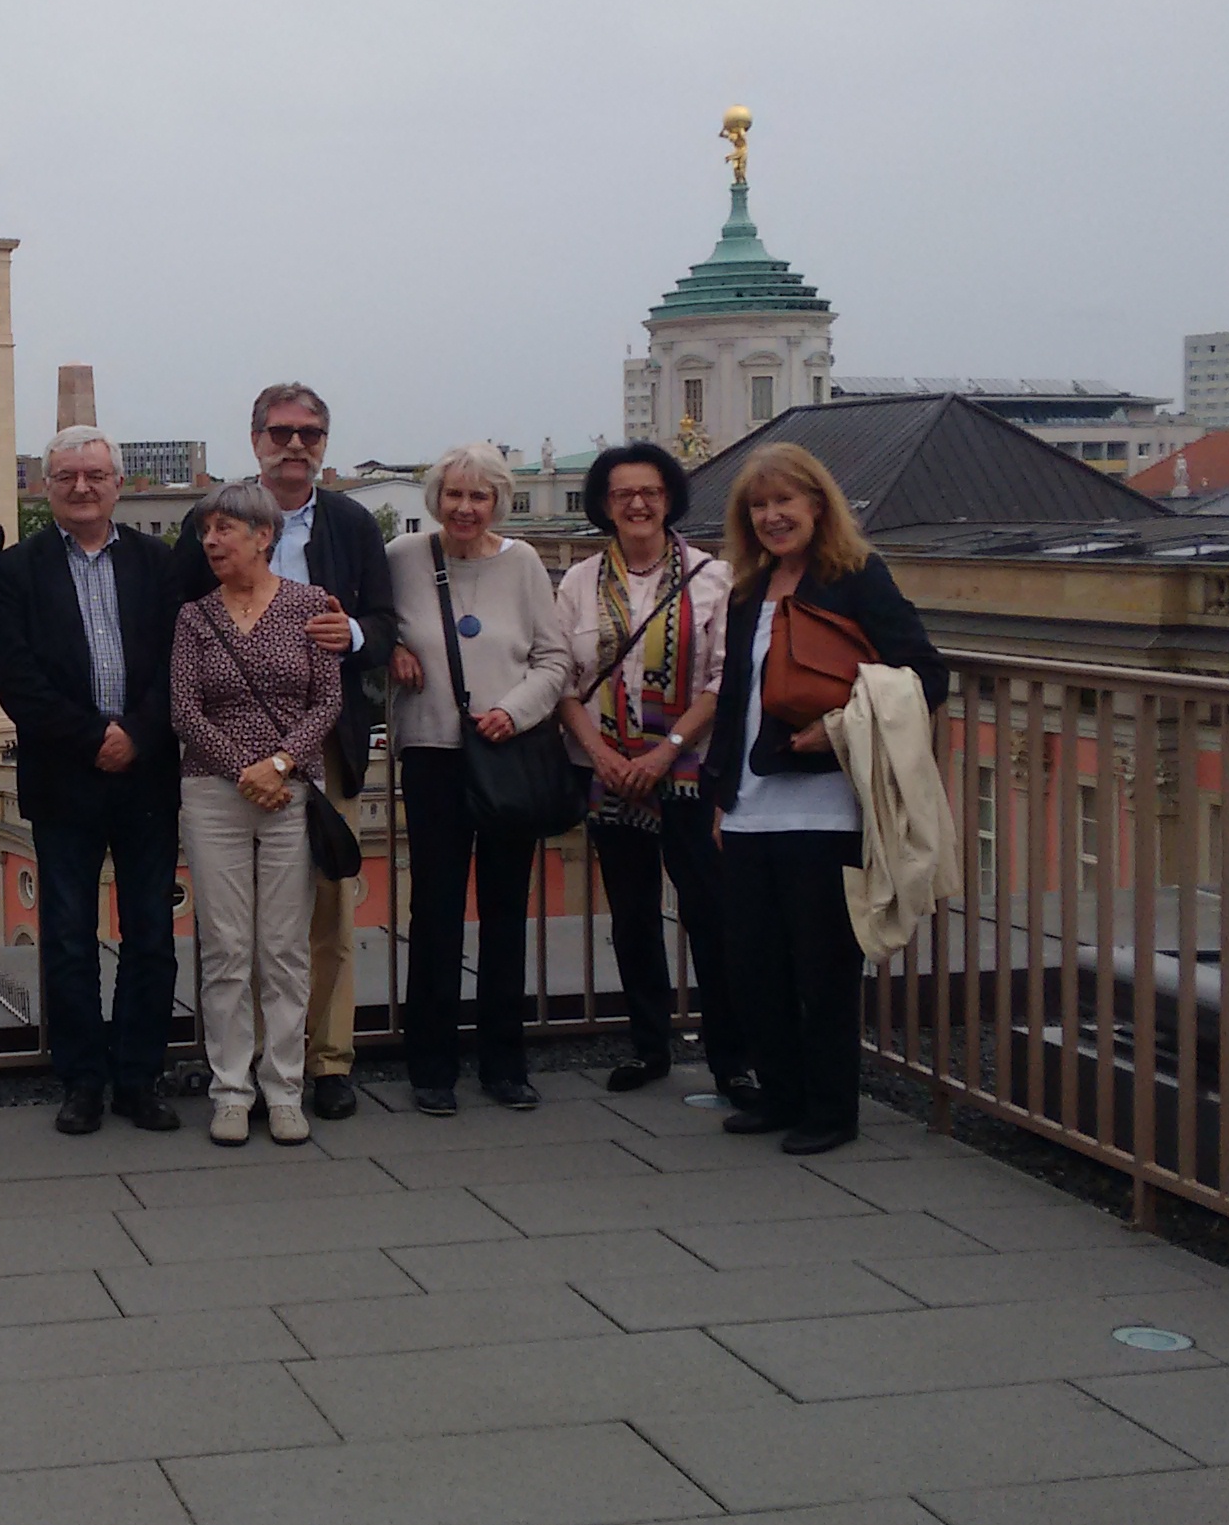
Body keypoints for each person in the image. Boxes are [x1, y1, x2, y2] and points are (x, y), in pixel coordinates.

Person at [698, 442, 947, 1155]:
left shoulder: (857, 577)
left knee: (824, 966)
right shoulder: (751, 588)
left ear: (816, 505)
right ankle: (780, 1093)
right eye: (759, 506)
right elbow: (737, 698)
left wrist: (838, 730)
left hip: (828, 806)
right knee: (755, 963)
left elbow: (924, 676)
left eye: (785, 502)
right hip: (751, 804)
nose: (773, 517)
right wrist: (721, 795)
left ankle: (833, 1109)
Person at [171, 382, 396, 1122]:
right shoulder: (207, 523)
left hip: (321, 746)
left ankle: (323, 1064)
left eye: (310, 432)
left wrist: (351, 636)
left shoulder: (353, 521)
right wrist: (242, 762)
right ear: (256, 438)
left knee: (323, 914)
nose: (295, 444)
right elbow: (182, 638)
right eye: (280, 431)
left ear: (325, 442)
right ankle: (245, 1072)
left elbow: (384, 626)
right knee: (236, 933)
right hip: (225, 761)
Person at [0, 428, 184, 1135]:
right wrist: (92, 739)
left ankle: (139, 1076)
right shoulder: (17, 570)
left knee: (151, 935)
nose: (80, 487)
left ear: (117, 484)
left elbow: (178, 666)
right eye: (66, 475)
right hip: (64, 776)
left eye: (94, 475)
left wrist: (137, 734)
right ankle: (80, 1078)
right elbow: (17, 677)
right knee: (68, 938)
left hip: (148, 776)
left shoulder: (159, 564)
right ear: (46, 487)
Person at [384, 443, 571, 1114]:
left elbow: (554, 660)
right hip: (432, 752)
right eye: (454, 494)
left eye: (479, 496)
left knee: (503, 911)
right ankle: (430, 1065)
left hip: (505, 751)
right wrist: (395, 648)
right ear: (437, 498)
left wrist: (511, 712)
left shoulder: (522, 563)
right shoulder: (402, 557)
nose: (465, 507)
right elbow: (376, 629)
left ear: (499, 501)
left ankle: (503, 1062)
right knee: (433, 912)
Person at [554, 442, 742, 1098]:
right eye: (622, 493)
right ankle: (648, 1046)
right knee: (632, 915)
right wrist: (604, 757)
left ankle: (731, 1058)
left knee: (710, 913)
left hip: (687, 772)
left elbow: (725, 679)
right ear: (605, 505)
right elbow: (564, 681)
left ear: (669, 499)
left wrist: (667, 750)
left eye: (650, 492)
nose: (637, 504)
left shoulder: (712, 577)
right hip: (607, 775)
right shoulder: (578, 582)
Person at [171, 481, 343, 1146]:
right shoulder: (194, 617)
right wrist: (244, 768)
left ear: (263, 536)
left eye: (224, 529)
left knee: (283, 947)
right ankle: (231, 1091)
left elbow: (326, 703)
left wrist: (277, 766)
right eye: (206, 531)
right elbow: (184, 708)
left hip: (289, 791)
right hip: (214, 794)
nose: (212, 542)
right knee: (226, 948)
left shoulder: (308, 606)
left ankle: (285, 1089)